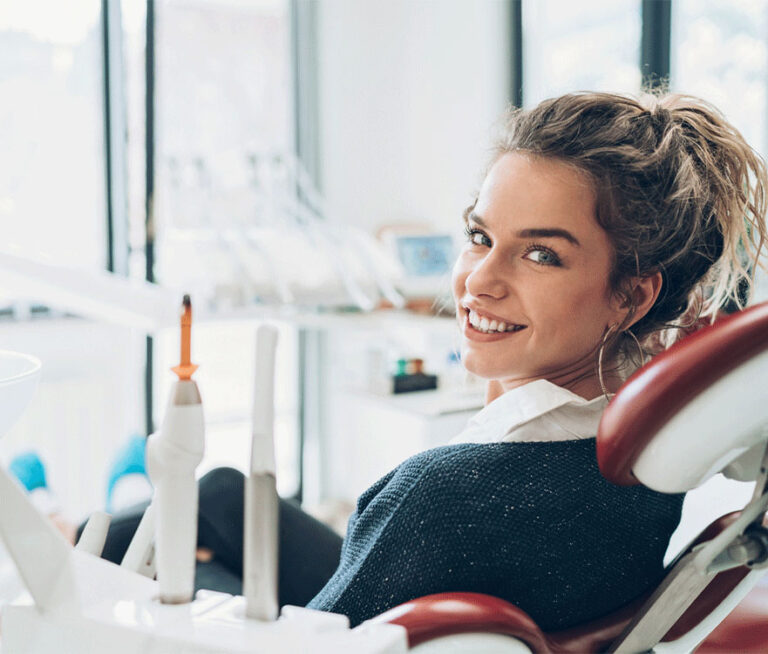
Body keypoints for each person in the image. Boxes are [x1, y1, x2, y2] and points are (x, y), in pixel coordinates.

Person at [86, 91, 768, 630]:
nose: (479, 281)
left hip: (364, 626)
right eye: (480, 235)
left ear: (632, 294)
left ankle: (66, 558)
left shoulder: (440, 495)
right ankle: (70, 536)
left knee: (162, 573)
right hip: (479, 583)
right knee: (226, 493)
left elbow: (326, 633)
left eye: (541, 254)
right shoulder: (653, 446)